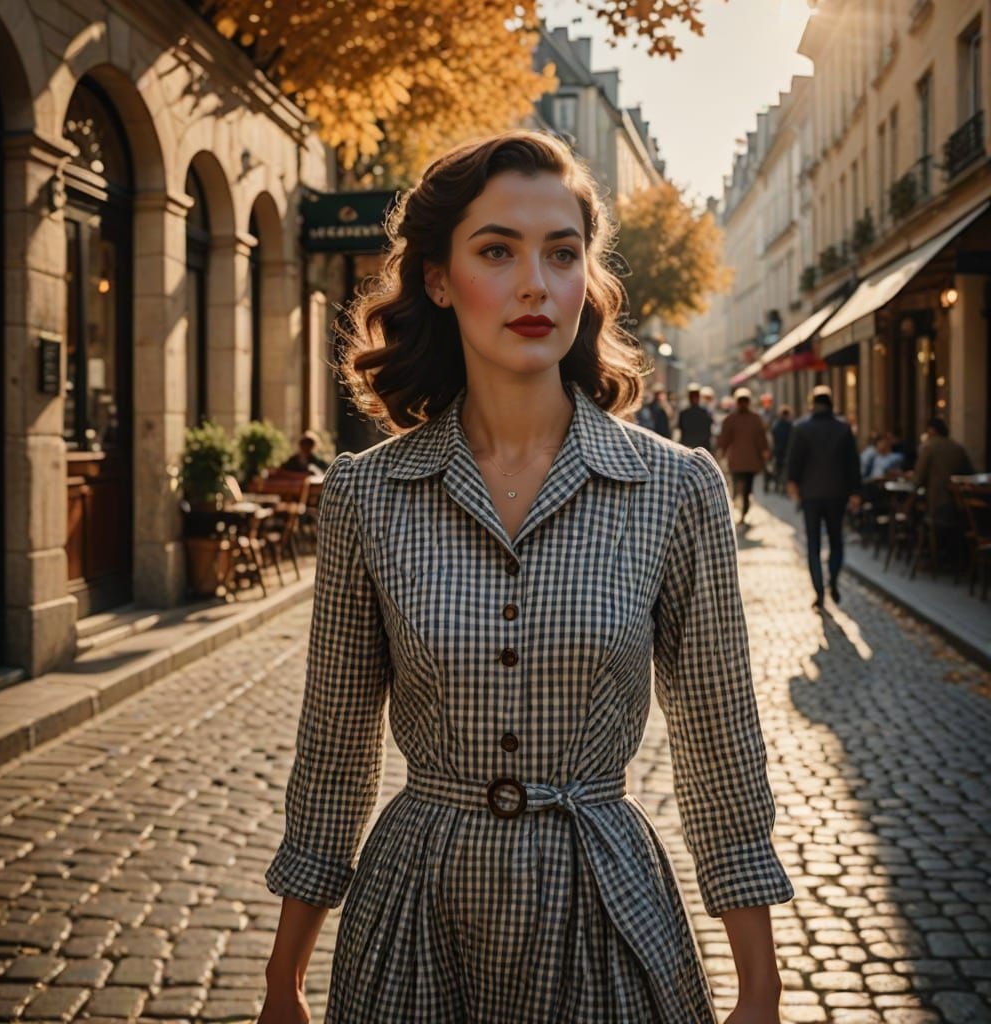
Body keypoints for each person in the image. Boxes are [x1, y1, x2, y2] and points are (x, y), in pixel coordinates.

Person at [258, 130, 793, 1024]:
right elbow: (336, 748)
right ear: (438, 277)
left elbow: (720, 744)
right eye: (497, 251)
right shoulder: (367, 493)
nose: (535, 285)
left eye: (562, 253)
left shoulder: (675, 487)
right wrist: (283, 980)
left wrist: (762, 987)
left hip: (606, 912)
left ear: (588, 279)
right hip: (415, 918)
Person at [785, 385, 862, 612]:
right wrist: (856, 492)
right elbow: (853, 464)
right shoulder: (843, 429)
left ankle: (819, 592)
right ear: (831, 404)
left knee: (813, 545)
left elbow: (793, 462)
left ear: (812, 404)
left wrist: (793, 485)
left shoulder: (801, 428)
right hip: (837, 494)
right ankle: (833, 582)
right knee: (837, 541)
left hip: (811, 495)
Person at [717, 387, 770, 524]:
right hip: (748, 461)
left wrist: (721, 452)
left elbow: (724, 439)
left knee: (741, 487)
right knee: (746, 488)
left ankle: (739, 508)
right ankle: (741, 509)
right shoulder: (754, 419)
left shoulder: (733, 419)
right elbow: (762, 439)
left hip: (737, 461)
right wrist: (764, 452)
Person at [913, 417, 974, 529]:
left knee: (912, 509)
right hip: (960, 503)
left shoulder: (929, 447)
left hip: (937, 502)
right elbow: (970, 473)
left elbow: (918, 478)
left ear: (931, 430)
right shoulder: (958, 447)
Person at [677, 382, 714, 452]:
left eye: (695, 396)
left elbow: (708, 433)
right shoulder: (684, 413)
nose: (694, 398)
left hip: (697, 449)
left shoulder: (704, 413)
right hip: (690, 449)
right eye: (692, 396)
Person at [769, 405, 794, 493]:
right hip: (787, 451)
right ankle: (783, 487)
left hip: (778, 450)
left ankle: (777, 485)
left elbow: (773, 438)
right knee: (785, 469)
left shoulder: (776, 425)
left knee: (778, 469)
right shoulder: (791, 425)